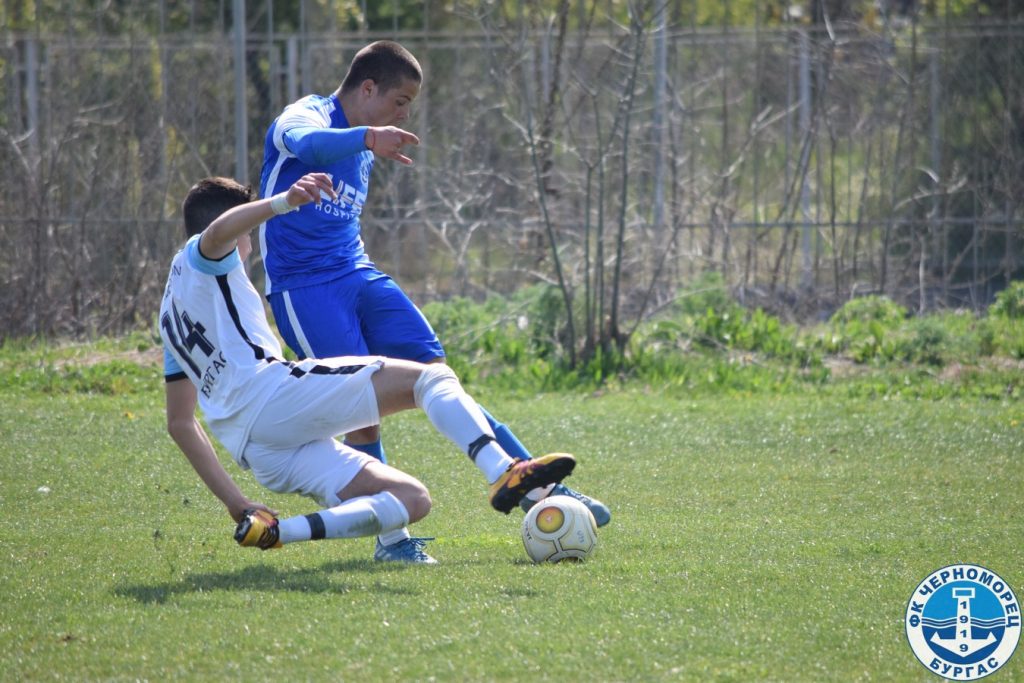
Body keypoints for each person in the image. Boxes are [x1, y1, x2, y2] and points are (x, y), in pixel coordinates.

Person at [258, 40, 609, 562]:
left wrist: (371, 138)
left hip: (357, 272)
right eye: (400, 101)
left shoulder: (365, 141)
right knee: (363, 412)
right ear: (369, 88)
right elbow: (304, 144)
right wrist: (370, 136)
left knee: (438, 378)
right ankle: (390, 540)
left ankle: (538, 488)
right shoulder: (308, 114)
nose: (406, 113)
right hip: (304, 287)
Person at [161, 173, 576, 555]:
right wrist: (283, 202)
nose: (251, 241)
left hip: (257, 450)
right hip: (272, 399)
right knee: (430, 379)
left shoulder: (169, 312)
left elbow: (180, 422)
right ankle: (502, 469)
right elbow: (216, 233)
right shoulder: (205, 256)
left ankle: (277, 532)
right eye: (249, 232)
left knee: (412, 500)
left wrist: (238, 504)